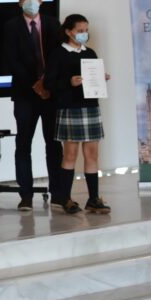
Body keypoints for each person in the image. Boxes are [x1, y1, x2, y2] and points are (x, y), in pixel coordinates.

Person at [3, 0, 63, 211]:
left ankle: (57, 193)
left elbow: (58, 57)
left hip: (50, 95)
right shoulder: (11, 27)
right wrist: (35, 85)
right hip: (25, 95)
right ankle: (25, 195)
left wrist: (47, 84)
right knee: (23, 145)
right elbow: (12, 60)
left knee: (53, 145)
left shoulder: (53, 24)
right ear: (20, 2)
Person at [44, 14, 111, 215]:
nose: (84, 34)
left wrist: (101, 78)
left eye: (86, 30)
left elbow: (93, 78)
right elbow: (49, 83)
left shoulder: (90, 53)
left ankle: (93, 199)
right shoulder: (58, 53)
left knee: (92, 154)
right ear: (68, 31)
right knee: (70, 155)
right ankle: (65, 198)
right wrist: (69, 82)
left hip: (90, 107)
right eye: (80, 31)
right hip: (69, 108)